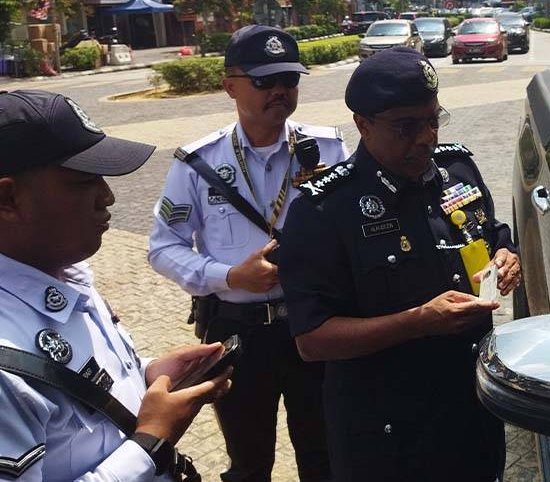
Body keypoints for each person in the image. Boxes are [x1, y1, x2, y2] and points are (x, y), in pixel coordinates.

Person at [278, 47, 522, 482]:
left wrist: (506, 257)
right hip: (388, 436)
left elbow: (492, 234)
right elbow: (312, 341)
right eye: (406, 127)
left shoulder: (456, 168)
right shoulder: (325, 210)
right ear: (363, 124)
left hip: (471, 412)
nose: (426, 137)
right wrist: (417, 321)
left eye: (433, 120)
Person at [148, 25, 349, 482]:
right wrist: (229, 276)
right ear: (229, 86)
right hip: (238, 332)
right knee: (249, 459)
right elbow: (163, 248)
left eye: (289, 79)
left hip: (314, 322)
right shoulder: (198, 163)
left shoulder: (328, 148)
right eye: (264, 81)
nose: (279, 90)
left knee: (324, 453)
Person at [0, 89, 231, 481]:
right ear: (8, 197)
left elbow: (75, 387)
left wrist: (146, 375)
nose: (106, 197)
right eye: (84, 181)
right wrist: (151, 443)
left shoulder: (61, 272)